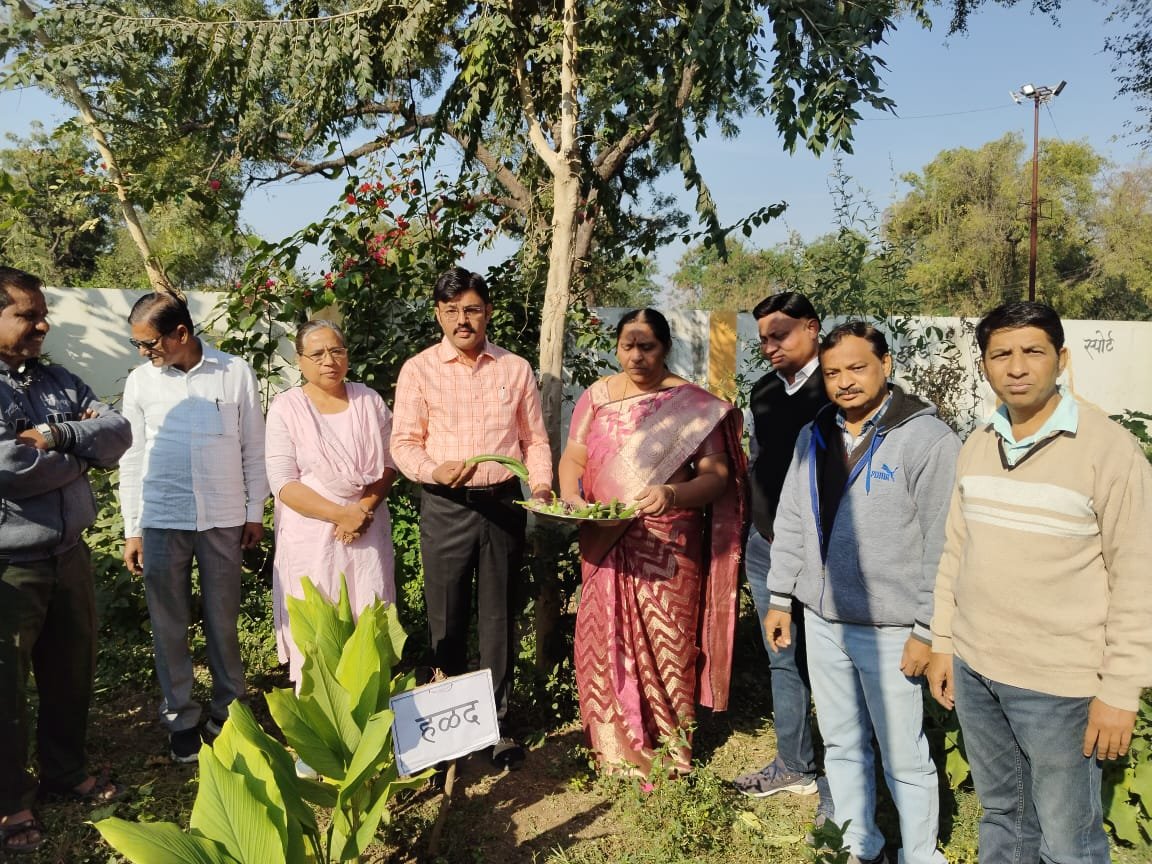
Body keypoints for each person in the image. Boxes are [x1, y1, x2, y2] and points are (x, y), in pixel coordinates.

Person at [928, 302, 1152, 864]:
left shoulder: (1108, 449)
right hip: (978, 672)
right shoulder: (979, 444)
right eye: (1001, 354)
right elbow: (956, 553)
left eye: (1033, 351)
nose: (1017, 367)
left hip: (1060, 685)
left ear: (1062, 360)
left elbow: (1138, 575)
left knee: (1067, 840)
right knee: (1003, 813)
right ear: (984, 366)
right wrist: (944, 643)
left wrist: (1120, 691)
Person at [765, 322, 958, 864]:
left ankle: (921, 855)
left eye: (857, 367)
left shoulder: (927, 440)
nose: (845, 382)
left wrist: (927, 628)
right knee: (843, 744)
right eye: (832, 373)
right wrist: (781, 596)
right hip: (824, 619)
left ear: (886, 365)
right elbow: (794, 519)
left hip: (891, 626)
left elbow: (944, 543)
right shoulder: (816, 434)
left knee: (903, 752)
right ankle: (859, 843)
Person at [557, 308, 746, 777]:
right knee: (606, 640)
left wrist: (671, 493)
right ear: (616, 347)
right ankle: (613, 750)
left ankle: (669, 747)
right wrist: (568, 497)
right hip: (605, 536)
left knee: (669, 645)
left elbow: (718, 476)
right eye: (627, 345)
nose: (636, 356)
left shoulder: (692, 404)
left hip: (669, 546)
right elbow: (573, 458)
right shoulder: (597, 397)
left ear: (665, 348)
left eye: (648, 346)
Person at [391, 267, 552, 767]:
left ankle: (494, 727)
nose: (463, 320)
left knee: (499, 615)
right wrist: (431, 470)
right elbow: (403, 443)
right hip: (445, 504)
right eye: (453, 310)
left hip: (502, 502)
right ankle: (444, 731)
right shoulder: (418, 369)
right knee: (446, 616)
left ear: (487, 312)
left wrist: (541, 484)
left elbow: (534, 439)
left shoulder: (515, 368)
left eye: (473, 309)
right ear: (439, 313)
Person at [0, 267, 132, 854]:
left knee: (70, 672)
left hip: (69, 555)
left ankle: (63, 771)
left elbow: (118, 431)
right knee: (5, 689)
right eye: (27, 314)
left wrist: (53, 438)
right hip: (9, 567)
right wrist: (82, 448)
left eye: (40, 312)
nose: (42, 324)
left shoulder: (54, 378)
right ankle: (8, 803)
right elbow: (8, 467)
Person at [119, 292, 268, 764]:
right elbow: (132, 455)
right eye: (137, 344)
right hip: (162, 517)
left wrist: (253, 511)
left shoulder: (234, 372)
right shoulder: (141, 383)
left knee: (224, 620)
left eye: (148, 342)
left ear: (181, 333)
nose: (144, 352)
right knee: (169, 625)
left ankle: (229, 711)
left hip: (224, 517)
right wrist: (133, 527)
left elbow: (253, 445)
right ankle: (180, 717)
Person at [733, 292, 834, 823]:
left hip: (822, 552)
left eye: (780, 335)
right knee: (782, 656)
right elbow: (761, 461)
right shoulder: (765, 390)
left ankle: (844, 786)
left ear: (812, 328)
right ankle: (795, 764)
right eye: (764, 339)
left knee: (832, 664)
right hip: (765, 546)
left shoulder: (837, 387)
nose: (769, 347)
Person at [265, 320, 397, 687]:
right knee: (319, 625)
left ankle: (374, 708)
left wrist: (364, 508)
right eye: (318, 354)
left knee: (369, 615)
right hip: (312, 536)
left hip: (367, 530)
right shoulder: (286, 408)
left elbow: (390, 462)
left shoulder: (368, 400)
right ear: (300, 360)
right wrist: (342, 514)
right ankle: (324, 717)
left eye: (336, 351)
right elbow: (283, 483)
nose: (329, 361)